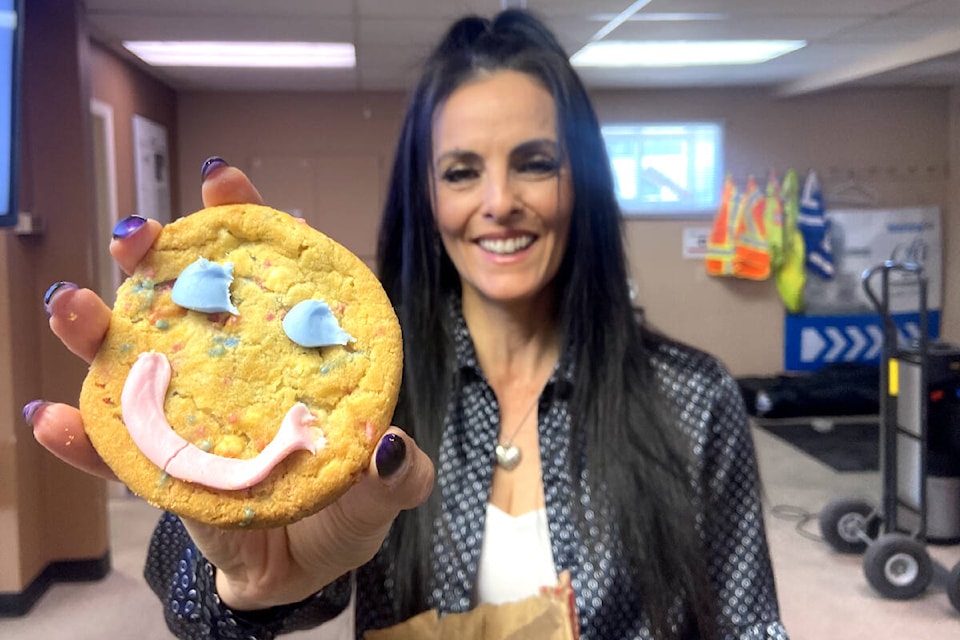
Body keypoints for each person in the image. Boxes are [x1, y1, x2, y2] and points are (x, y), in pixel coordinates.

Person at [29, 9, 788, 640]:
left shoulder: (692, 397)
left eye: (535, 162)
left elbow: (752, 625)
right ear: (425, 195)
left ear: (579, 181)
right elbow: (201, 605)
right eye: (461, 170)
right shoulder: (359, 391)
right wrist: (247, 584)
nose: (499, 201)